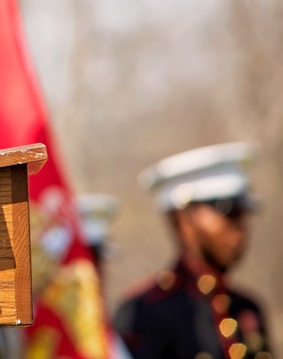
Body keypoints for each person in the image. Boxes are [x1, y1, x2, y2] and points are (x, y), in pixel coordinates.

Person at [113, 142, 272, 359]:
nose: (239, 229)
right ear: (184, 222)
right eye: (228, 213)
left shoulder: (247, 308)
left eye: (242, 215)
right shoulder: (146, 312)